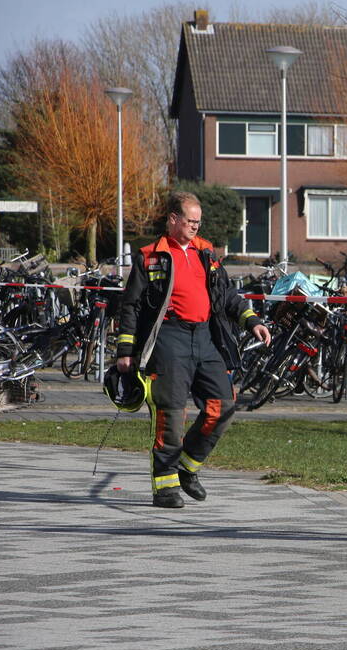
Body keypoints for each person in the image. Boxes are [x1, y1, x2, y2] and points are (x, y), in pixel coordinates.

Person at [116, 191, 271, 508]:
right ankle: (165, 487)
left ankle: (188, 467)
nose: (196, 227)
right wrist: (125, 351)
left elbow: (226, 295)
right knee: (171, 414)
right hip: (168, 339)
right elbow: (130, 307)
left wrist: (251, 320)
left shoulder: (207, 254)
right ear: (173, 219)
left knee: (224, 405)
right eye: (190, 221)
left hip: (205, 337)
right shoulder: (150, 257)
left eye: (199, 222)